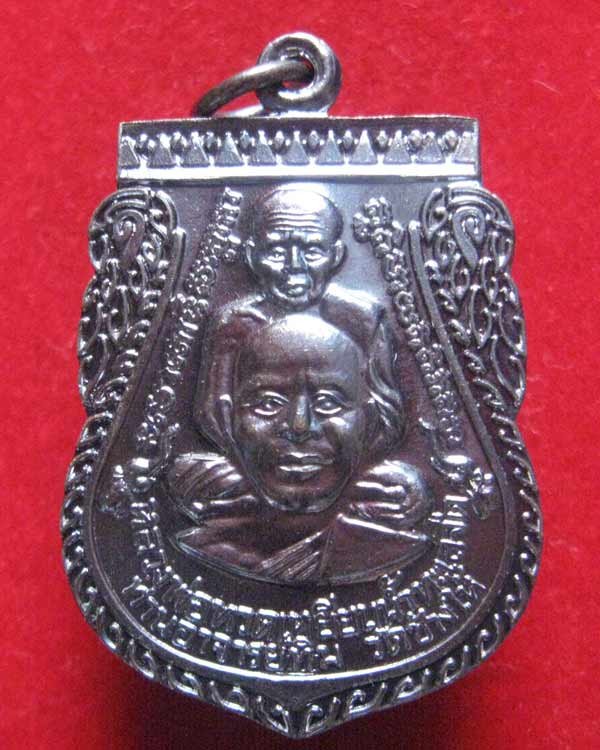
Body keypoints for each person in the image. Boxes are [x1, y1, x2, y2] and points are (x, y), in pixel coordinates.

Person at [169, 314, 434, 585]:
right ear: (227, 418)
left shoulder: (389, 549)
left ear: (372, 418)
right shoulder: (206, 547)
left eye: (328, 402)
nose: (299, 426)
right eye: (268, 403)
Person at [194, 186, 397, 457]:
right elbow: (214, 421)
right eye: (276, 252)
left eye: (312, 251)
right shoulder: (233, 326)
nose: (295, 265)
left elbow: (386, 420)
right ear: (252, 256)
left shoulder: (363, 321)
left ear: (336, 255)